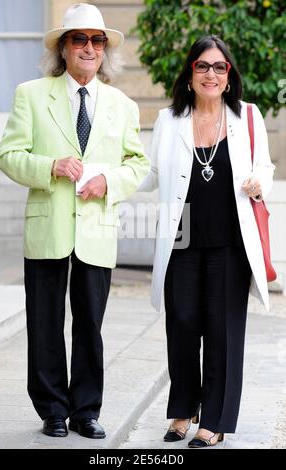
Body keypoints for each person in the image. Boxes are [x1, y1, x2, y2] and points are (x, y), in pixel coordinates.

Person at [0, 3, 149, 439]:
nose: (88, 47)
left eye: (96, 40)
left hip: (96, 230)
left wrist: (108, 181)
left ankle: (85, 410)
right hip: (48, 227)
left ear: (104, 51)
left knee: (90, 327)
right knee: (44, 322)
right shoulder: (31, 93)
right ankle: (52, 409)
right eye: (79, 39)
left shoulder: (122, 105)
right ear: (63, 47)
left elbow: (138, 164)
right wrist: (50, 166)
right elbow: (8, 156)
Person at [139, 35, 274, 447]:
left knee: (222, 331)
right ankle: (183, 410)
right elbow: (147, 172)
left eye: (219, 67)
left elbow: (265, 165)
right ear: (191, 74)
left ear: (229, 76)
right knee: (181, 326)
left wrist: (258, 181)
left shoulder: (247, 116)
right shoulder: (169, 120)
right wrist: (107, 176)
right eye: (202, 66)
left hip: (230, 240)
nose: (210, 74)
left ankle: (213, 421)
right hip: (181, 237)